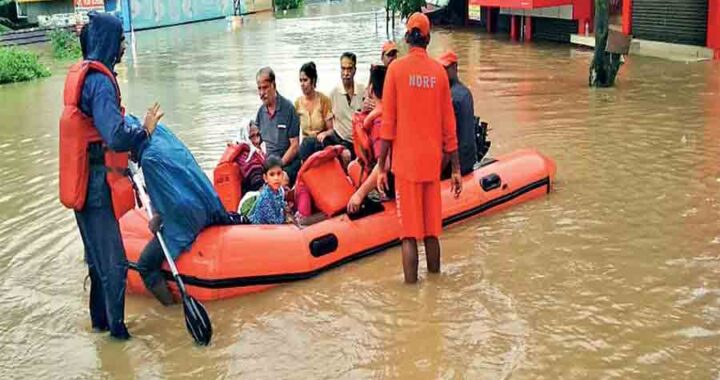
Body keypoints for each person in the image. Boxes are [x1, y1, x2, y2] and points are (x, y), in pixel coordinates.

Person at [59, 12, 163, 340]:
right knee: (115, 266)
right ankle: (118, 337)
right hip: (95, 185)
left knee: (97, 262)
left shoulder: (85, 77)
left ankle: (100, 326)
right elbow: (115, 136)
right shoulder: (101, 83)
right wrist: (143, 131)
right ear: (106, 42)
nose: (122, 46)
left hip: (79, 179)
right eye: (119, 40)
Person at [376, 12, 462, 284]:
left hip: (405, 166)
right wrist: (457, 169)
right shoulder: (439, 72)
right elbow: (450, 126)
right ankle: (436, 284)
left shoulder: (395, 71)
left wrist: (381, 167)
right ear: (428, 38)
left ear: (407, 37)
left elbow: (387, 126)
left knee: (409, 234)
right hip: (432, 164)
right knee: (431, 233)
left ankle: (411, 297)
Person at [347, 64, 391, 214]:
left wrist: (360, 194)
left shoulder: (380, 122)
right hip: (395, 175)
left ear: (371, 90)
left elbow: (384, 164)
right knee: (353, 166)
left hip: (389, 185)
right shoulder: (387, 113)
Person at [255, 67, 301, 185]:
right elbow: (256, 142)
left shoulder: (288, 109)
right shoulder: (260, 113)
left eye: (265, 88)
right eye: (259, 88)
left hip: (288, 163)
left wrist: (278, 165)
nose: (261, 93)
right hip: (269, 164)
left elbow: (295, 146)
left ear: (273, 86)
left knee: (281, 180)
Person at [437, 50, 478, 176]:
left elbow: (449, 138)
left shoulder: (451, 97)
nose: (442, 72)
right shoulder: (466, 92)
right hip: (469, 159)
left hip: (457, 162)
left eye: (446, 68)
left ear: (455, 67)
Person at [329, 52, 365, 153]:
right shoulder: (333, 94)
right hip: (341, 141)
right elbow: (328, 122)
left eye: (349, 69)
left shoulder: (363, 91)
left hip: (361, 140)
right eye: (343, 68)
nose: (346, 73)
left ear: (355, 70)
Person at [294, 62, 334, 141]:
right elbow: (293, 131)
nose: (302, 84)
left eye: (305, 80)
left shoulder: (324, 100)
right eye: (300, 80)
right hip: (306, 143)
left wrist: (325, 134)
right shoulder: (297, 103)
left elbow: (331, 130)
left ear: (313, 80)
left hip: (321, 142)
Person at [249, 156, 289, 224]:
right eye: (272, 174)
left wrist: (286, 208)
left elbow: (280, 202)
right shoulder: (265, 197)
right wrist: (286, 218)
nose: (276, 178)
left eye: (279, 174)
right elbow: (274, 222)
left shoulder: (279, 190)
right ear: (265, 178)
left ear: (282, 175)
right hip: (259, 228)